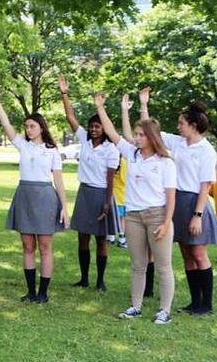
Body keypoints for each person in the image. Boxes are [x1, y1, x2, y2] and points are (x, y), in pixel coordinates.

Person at [94, 93, 177, 325]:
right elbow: (112, 132)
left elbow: (171, 197)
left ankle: (164, 310)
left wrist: (166, 223)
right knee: (138, 265)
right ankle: (135, 306)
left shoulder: (165, 163)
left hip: (157, 215)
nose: (137, 138)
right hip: (133, 217)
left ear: (152, 138)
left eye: (141, 135)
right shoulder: (132, 154)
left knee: (163, 266)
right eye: (137, 134)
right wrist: (100, 108)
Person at [0, 82, 68, 303]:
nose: (28, 129)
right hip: (24, 196)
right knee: (28, 246)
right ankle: (31, 292)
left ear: (41, 127)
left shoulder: (52, 151)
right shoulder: (23, 145)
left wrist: (64, 208)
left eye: (32, 126)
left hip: (45, 198)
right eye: (26, 126)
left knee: (45, 246)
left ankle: (43, 293)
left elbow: (59, 181)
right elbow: (6, 125)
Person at [140, 89, 217, 316]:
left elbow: (205, 186)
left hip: (195, 203)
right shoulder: (179, 143)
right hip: (179, 201)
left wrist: (198, 215)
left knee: (198, 253)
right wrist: (144, 105)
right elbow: (151, 130)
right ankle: (195, 302)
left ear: (193, 125)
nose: (178, 126)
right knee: (185, 252)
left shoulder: (206, 150)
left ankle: (206, 304)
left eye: (181, 123)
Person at [59, 75, 120, 292]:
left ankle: (100, 281)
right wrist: (64, 93)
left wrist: (107, 202)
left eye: (97, 126)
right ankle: (84, 278)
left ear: (104, 129)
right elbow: (70, 116)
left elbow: (111, 177)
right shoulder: (84, 140)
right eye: (92, 126)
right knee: (82, 237)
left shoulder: (111, 149)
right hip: (85, 193)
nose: (94, 129)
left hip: (102, 194)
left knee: (101, 240)